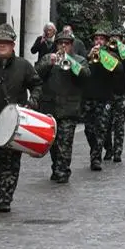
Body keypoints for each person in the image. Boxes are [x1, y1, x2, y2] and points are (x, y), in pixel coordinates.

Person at [0, 24, 42, 212]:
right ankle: (3, 184)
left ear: (13, 45)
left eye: (5, 43)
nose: (1, 46)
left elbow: (36, 84)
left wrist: (33, 100)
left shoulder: (23, 66)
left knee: (12, 162)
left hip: (17, 124)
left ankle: (6, 196)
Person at [35, 30, 91, 183]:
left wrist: (72, 63)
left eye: (67, 43)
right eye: (60, 43)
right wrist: (48, 63)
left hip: (69, 109)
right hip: (50, 108)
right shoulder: (49, 58)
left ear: (71, 46)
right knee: (53, 144)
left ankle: (63, 171)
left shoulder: (79, 60)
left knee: (65, 143)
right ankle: (56, 167)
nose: (63, 46)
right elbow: (35, 75)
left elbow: (86, 75)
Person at [82, 29, 122, 171]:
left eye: (101, 39)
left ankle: (96, 159)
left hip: (105, 97)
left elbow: (119, 69)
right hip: (89, 97)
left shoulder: (110, 55)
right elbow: (81, 71)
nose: (98, 41)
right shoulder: (88, 54)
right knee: (88, 130)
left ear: (105, 42)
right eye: (96, 39)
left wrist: (103, 56)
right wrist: (88, 57)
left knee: (101, 129)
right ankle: (97, 149)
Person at [103, 28, 125, 163]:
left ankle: (117, 152)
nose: (114, 40)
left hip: (121, 94)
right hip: (107, 93)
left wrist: (122, 48)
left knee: (119, 125)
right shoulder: (106, 52)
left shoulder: (124, 54)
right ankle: (108, 149)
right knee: (105, 125)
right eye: (112, 38)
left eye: (117, 38)